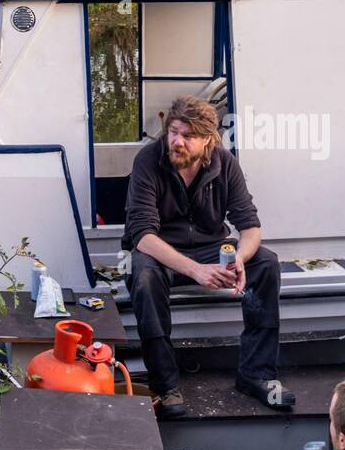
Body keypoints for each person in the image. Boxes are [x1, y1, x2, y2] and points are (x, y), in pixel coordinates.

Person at [122, 95, 294, 417]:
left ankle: (256, 374)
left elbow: (250, 226)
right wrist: (197, 270)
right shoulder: (148, 160)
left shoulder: (224, 163)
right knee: (144, 276)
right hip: (159, 248)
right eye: (173, 132)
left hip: (209, 247)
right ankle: (165, 386)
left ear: (208, 139)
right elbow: (142, 236)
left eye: (188, 136)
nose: (177, 141)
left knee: (266, 263)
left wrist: (240, 258)